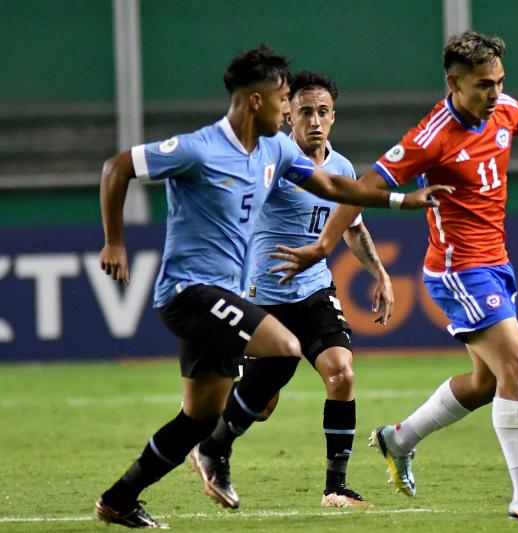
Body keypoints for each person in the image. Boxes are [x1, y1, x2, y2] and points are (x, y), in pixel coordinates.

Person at [269, 31, 518, 521]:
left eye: (498, 82)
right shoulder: (430, 137)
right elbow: (364, 186)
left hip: (496, 261)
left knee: (487, 383)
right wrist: (325, 246)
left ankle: (398, 439)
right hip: (458, 269)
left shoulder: (503, 109)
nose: (494, 93)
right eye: (482, 85)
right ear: (453, 83)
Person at [93, 44, 449, 529]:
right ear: (257, 101)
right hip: (190, 291)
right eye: (286, 101)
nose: (291, 112)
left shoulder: (275, 150)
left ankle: (120, 499)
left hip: (232, 298)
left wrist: (403, 201)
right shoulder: (199, 148)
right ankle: (223, 444)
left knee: (199, 417)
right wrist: (114, 241)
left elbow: (333, 188)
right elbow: (117, 167)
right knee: (284, 348)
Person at [189, 70, 392, 510]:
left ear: (334, 117)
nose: (314, 121)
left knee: (342, 374)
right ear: (287, 117)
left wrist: (379, 272)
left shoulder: (339, 168)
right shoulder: (269, 164)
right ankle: (213, 444)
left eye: (322, 112)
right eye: (305, 112)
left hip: (315, 293)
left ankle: (336, 487)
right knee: (262, 406)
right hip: (263, 300)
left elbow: (352, 229)